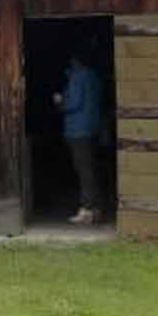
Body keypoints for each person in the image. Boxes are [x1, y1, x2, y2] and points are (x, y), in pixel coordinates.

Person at [55, 51, 105, 223]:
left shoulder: (77, 77)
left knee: (83, 169)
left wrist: (60, 101)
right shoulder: (94, 76)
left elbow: (74, 103)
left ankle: (87, 209)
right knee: (91, 168)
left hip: (78, 129)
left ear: (75, 60)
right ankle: (96, 208)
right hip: (92, 127)